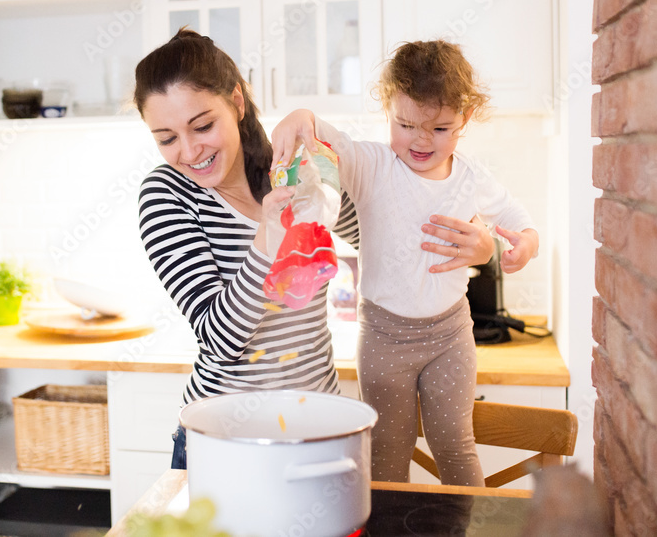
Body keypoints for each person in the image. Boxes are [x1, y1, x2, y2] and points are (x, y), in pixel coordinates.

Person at [133, 30, 495, 471]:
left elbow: (382, 238)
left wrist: (482, 246)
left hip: (318, 430)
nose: (189, 151)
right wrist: (269, 238)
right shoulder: (166, 194)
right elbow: (221, 339)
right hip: (228, 442)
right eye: (166, 138)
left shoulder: (290, 171)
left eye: (203, 125)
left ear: (237, 103)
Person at [272, 39, 539, 486]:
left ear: (464, 120)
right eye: (406, 123)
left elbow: (518, 220)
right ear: (388, 110)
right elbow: (326, 137)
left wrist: (522, 245)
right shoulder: (373, 165)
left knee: (455, 444)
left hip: (451, 336)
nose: (420, 140)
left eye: (439, 129)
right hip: (384, 338)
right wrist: (303, 117)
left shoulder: (473, 178)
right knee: (388, 452)